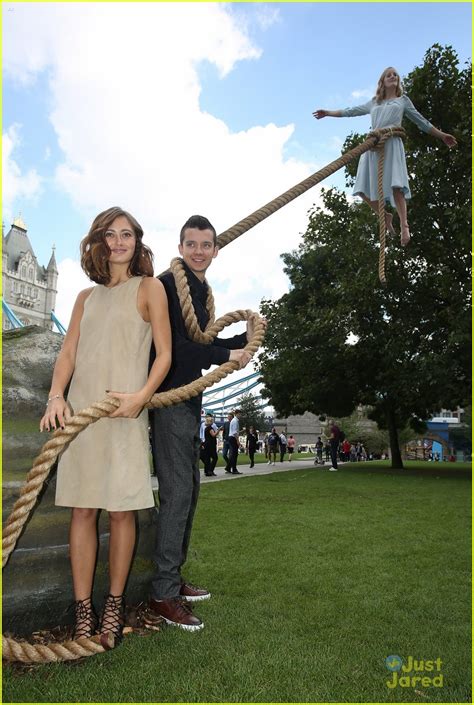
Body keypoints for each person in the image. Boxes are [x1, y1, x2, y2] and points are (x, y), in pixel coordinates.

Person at [40, 207, 172, 642]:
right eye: (110, 235)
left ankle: (113, 607)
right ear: (98, 241)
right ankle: (83, 612)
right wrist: (56, 396)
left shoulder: (149, 288)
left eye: (126, 235)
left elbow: (165, 355)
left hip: (124, 413)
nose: (118, 242)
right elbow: (69, 354)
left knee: (120, 512)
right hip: (82, 416)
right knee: (81, 509)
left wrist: (141, 398)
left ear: (137, 241)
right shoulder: (84, 297)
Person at [147, 215, 254, 632]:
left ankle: (173, 578)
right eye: (190, 244)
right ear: (180, 246)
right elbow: (174, 348)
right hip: (169, 396)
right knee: (176, 494)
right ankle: (162, 592)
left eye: (205, 244)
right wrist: (228, 356)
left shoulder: (201, 291)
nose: (198, 251)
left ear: (215, 249)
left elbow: (203, 344)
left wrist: (244, 341)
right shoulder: (168, 285)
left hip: (191, 397)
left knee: (189, 491)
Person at [313, 66, 457, 247]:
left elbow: (422, 122)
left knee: (397, 186)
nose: (393, 76)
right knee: (361, 190)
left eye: (395, 74)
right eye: (388, 75)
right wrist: (328, 113)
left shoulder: (403, 101)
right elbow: (350, 111)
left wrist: (442, 136)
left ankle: (404, 225)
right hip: (373, 146)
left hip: (392, 143)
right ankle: (385, 216)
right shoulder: (374, 102)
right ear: (382, 81)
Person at [226, 409, 242, 475]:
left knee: (233, 454)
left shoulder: (234, 420)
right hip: (233, 438)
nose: (240, 415)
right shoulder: (235, 421)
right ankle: (234, 469)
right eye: (240, 414)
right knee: (234, 454)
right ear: (236, 414)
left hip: (231, 438)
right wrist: (238, 441)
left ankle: (228, 467)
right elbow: (235, 432)